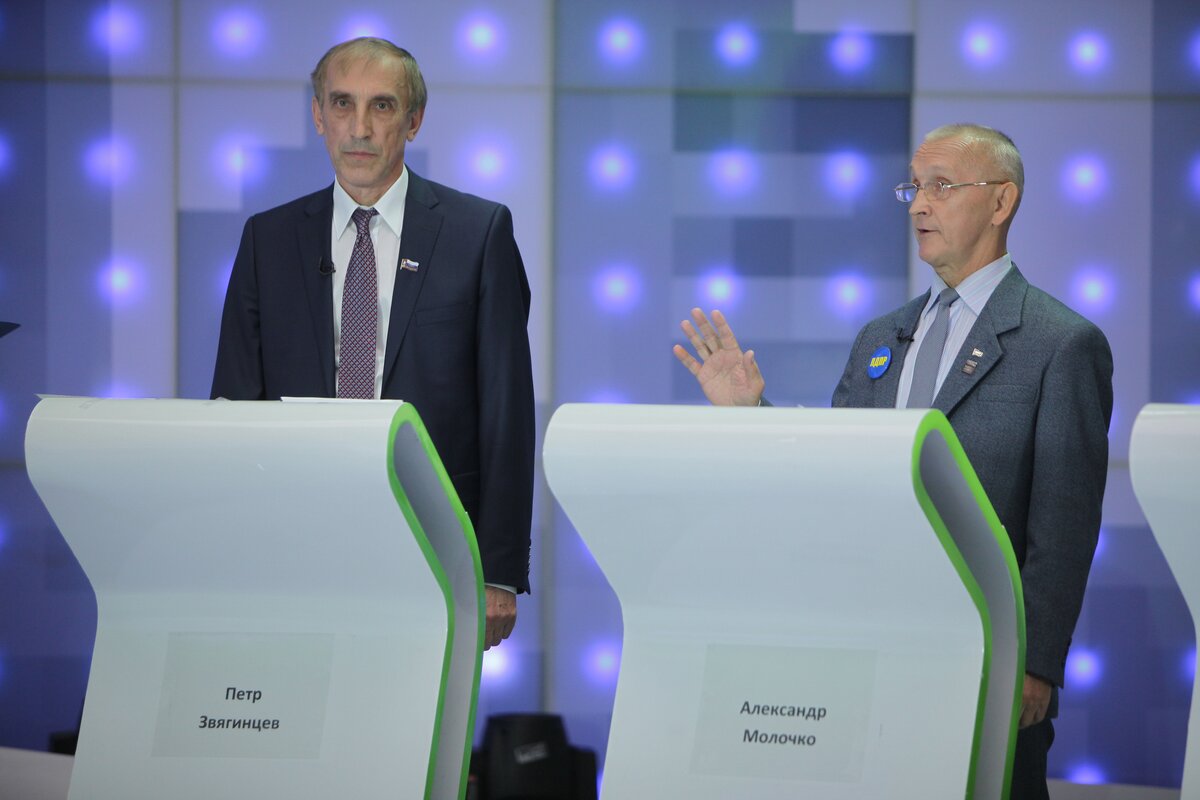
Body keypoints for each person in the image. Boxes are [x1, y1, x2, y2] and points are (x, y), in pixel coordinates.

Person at [674, 123, 1112, 798]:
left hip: (984, 659)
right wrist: (752, 413)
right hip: (871, 652)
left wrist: (1037, 662)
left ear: (1001, 202)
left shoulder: (1061, 343)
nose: (918, 205)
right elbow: (838, 480)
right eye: (913, 187)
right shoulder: (880, 337)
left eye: (941, 186)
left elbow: (1065, 524)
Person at [212, 37, 535, 650]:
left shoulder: (478, 233)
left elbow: (506, 410)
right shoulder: (267, 240)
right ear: (318, 116)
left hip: (434, 545)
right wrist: (235, 552)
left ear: (413, 121)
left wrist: (498, 571)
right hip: (295, 544)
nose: (359, 128)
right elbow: (233, 407)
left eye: (381, 106)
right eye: (342, 103)